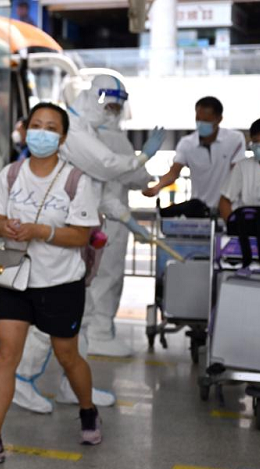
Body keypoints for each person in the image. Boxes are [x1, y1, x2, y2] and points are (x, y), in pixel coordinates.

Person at [0, 102, 103, 464]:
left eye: (50, 127)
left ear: (61, 137)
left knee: (67, 355)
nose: (41, 132)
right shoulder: (12, 174)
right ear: (25, 129)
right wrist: (10, 228)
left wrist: (39, 230)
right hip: (16, 277)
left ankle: (88, 408)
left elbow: (81, 236)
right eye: (35, 125)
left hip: (61, 282)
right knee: (6, 355)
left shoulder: (76, 180)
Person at [61, 73, 162, 358]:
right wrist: (144, 160)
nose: (113, 113)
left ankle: (79, 364)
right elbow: (108, 167)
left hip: (96, 221)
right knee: (100, 281)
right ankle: (98, 334)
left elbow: (98, 189)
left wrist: (129, 220)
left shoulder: (89, 130)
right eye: (111, 106)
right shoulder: (79, 131)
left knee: (87, 288)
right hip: (81, 225)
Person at [143, 96, 246, 212]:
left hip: (229, 208)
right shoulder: (187, 143)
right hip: (198, 209)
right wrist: (157, 187)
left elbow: (238, 173)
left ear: (219, 119)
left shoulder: (235, 139)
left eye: (206, 120)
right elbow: (174, 171)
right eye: (198, 119)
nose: (201, 124)